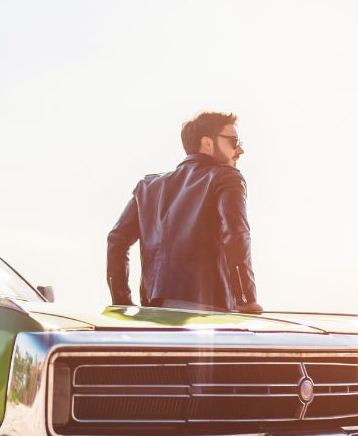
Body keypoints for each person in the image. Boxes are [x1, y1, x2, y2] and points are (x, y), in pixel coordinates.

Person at [106, 111, 262, 313]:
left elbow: (116, 239)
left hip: (155, 310)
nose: (240, 149)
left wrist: (121, 302)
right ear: (207, 143)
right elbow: (236, 235)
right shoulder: (227, 178)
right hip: (209, 309)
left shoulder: (148, 187)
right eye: (234, 141)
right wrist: (245, 298)